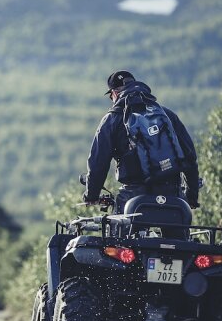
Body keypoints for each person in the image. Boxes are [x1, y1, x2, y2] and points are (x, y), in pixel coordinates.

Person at [82, 70, 200, 214]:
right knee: (177, 235)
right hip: (173, 195)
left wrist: (91, 195)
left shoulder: (112, 120)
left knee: (120, 235)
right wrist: (191, 197)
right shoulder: (166, 114)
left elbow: (98, 162)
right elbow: (190, 157)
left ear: (114, 94)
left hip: (134, 197)